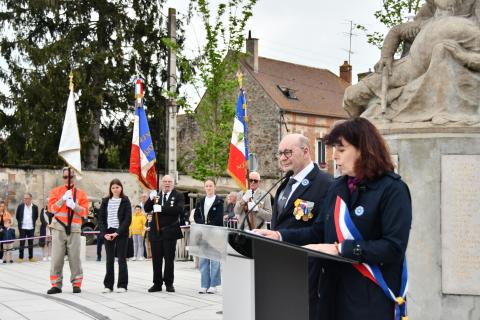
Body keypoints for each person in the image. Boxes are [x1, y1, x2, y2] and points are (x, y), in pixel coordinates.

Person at [256, 118, 412, 320]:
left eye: (341, 149)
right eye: (334, 149)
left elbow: (393, 247)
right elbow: (318, 231)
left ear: (363, 149)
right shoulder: (338, 188)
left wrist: (342, 249)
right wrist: (279, 236)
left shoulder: (392, 189)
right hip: (332, 295)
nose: (334, 155)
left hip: (370, 299)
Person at [271, 133, 333, 320]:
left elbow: (322, 232)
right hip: (280, 269)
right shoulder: (284, 184)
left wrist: (280, 236)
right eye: (280, 153)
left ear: (306, 151)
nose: (282, 158)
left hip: (309, 274)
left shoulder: (326, 184)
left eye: (288, 152)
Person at [47, 167, 89, 294]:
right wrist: (63, 200)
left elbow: (85, 212)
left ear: (74, 178)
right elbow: (51, 209)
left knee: (75, 258)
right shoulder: (56, 192)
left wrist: (74, 205)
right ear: (63, 178)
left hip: (75, 229)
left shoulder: (81, 194)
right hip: (59, 229)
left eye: (70, 177)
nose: (68, 179)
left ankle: (76, 283)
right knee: (56, 258)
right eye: (65, 177)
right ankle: (56, 285)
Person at [144, 175, 185, 293]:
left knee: (168, 259)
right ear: (161, 183)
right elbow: (147, 208)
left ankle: (169, 283)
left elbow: (179, 210)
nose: (167, 183)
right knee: (156, 259)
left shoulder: (178, 195)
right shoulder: (157, 195)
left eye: (169, 181)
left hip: (170, 231)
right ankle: (157, 283)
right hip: (156, 231)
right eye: (165, 181)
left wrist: (161, 208)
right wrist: (150, 199)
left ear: (173, 183)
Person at [97, 179, 132, 293]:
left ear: (121, 188)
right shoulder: (106, 201)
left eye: (117, 187)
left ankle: (122, 285)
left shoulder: (125, 200)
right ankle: (108, 285)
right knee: (109, 260)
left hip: (120, 232)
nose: (115, 189)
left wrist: (117, 232)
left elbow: (128, 219)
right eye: (113, 187)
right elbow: (101, 218)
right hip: (108, 232)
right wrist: (104, 234)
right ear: (110, 189)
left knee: (121, 259)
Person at [194, 179, 224, 294]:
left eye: (210, 186)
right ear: (204, 188)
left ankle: (213, 285)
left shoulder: (219, 201)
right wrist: (203, 224)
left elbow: (219, 218)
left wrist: (208, 225)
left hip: (215, 234)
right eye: (206, 186)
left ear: (214, 187)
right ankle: (204, 284)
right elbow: (197, 216)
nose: (208, 188)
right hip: (203, 234)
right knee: (203, 261)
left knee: (215, 260)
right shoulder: (200, 202)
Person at [16, 192, 39, 262]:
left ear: (30, 199)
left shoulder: (35, 207)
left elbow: (36, 216)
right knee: (22, 242)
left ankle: (31, 257)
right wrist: (21, 222)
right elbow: (17, 216)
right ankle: (20, 257)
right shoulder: (20, 206)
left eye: (27, 198)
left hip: (31, 227)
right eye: (24, 198)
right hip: (22, 227)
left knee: (30, 242)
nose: (25, 200)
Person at [139, 193, 152, 260]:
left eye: (145, 197)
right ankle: (145, 255)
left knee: (150, 243)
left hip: (149, 223)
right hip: (141, 225)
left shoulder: (150, 204)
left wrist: (146, 214)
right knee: (143, 242)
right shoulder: (139, 206)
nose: (144, 198)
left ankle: (150, 256)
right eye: (142, 197)